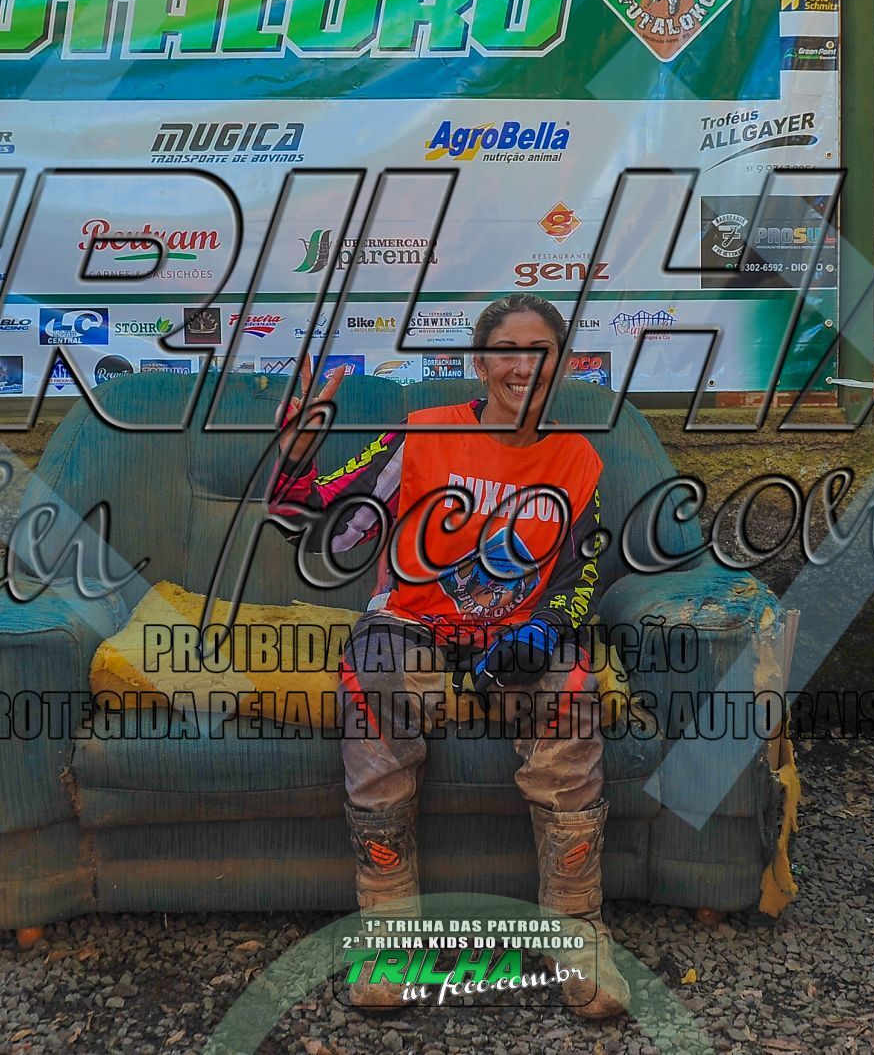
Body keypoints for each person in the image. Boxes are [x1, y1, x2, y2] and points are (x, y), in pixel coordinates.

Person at [268, 293, 626, 1018]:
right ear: (480, 364)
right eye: (507, 351)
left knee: (573, 690)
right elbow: (322, 524)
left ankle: (577, 932)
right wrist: (296, 462)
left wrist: (545, 628)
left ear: (562, 364)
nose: (523, 366)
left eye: (541, 351)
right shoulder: (421, 432)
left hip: (513, 635)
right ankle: (389, 937)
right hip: (410, 622)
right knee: (371, 681)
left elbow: (579, 574)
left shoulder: (578, 459)